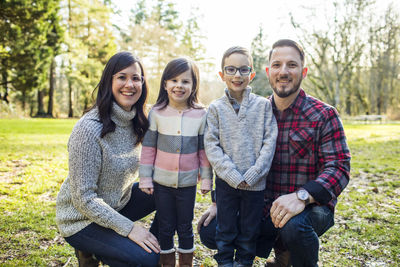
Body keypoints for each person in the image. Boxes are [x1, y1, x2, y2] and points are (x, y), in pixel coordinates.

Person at [198, 39, 351, 267]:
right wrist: (218, 201)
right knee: (211, 230)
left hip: (309, 208)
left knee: (295, 226)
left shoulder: (323, 114)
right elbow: (230, 150)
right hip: (260, 203)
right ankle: (281, 256)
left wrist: (302, 197)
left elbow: (339, 167)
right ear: (268, 72)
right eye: (277, 65)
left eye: (292, 65)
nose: (284, 72)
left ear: (304, 71)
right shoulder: (257, 109)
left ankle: (296, 259)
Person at [56, 51, 161, 267]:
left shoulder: (139, 120)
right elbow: (84, 199)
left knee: (168, 189)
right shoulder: (88, 129)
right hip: (80, 219)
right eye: (122, 77)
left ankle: (156, 244)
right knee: (146, 260)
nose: (129, 84)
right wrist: (130, 229)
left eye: (136, 78)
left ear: (143, 83)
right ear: (109, 81)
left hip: (117, 204)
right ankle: (92, 251)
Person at [204, 46, 278, 267]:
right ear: (222, 75)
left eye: (243, 70)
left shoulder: (264, 106)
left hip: (255, 185)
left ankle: (244, 263)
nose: (237, 75)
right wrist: (233, 175)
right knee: (225, 229)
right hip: (226, 184)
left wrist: (254, 173)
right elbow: (211, 146)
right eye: (231, 69)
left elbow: (269, 141)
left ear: (251, 74)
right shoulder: (215, 108)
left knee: (249, 230)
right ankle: (225, 262)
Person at [139, 57, 212, 267]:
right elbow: (148, 149)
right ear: (165, 84)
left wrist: (206, 180)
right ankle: (167, 263)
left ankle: (186, 263)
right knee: (165, 225)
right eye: (174, 80)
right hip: (161, 183)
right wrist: (145, 179)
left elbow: (203, 151)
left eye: (185, 81)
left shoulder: (200, 114)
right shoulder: (157, 112)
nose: (179, 86)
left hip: (188, 184)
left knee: (185, 226)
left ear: (193, 85)